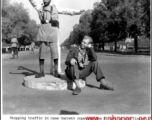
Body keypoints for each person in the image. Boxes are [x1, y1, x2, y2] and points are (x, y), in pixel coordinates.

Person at [32, 0, 85, 78]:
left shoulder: (55, 8)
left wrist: (79, 12)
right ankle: (41, 72)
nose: (45, 1)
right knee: (42, 53)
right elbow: (32, 2)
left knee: (55, 53)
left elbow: (67, 11)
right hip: (43, 33)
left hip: (53, 33)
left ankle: (56, 72)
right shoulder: (40, 8)